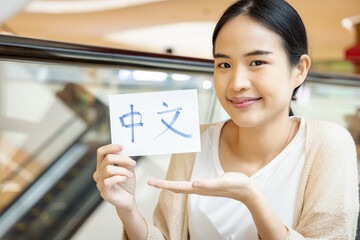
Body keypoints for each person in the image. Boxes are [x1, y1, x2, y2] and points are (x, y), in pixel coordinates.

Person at [93, 0, 359, 239]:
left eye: (257, 62)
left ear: (299, 70)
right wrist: (128, 209)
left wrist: (252, 200)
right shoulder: (194, 142)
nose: (237, 83)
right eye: (224, 65)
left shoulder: (329, 144)